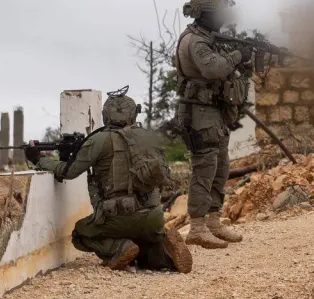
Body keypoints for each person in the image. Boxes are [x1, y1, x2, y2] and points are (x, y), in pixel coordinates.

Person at [29, 91, 192, 273]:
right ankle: (163, 254)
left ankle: (118, 248)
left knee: (80, 234)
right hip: (153, 217)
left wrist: (38, 159)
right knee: (144, 252)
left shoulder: (98, 140)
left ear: (106, 115)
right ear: (134, 114)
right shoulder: (148, 138)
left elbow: (68, 172)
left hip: (118, 216)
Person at [175, 0, 251, 249]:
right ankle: (197, 228)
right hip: (199, 113)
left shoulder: (209, 38)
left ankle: (213, 221)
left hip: (214, 111)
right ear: (204, 15)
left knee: (220, 167)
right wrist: (238, 56)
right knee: (204, 168)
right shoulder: (196, 41)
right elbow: (213, 69)